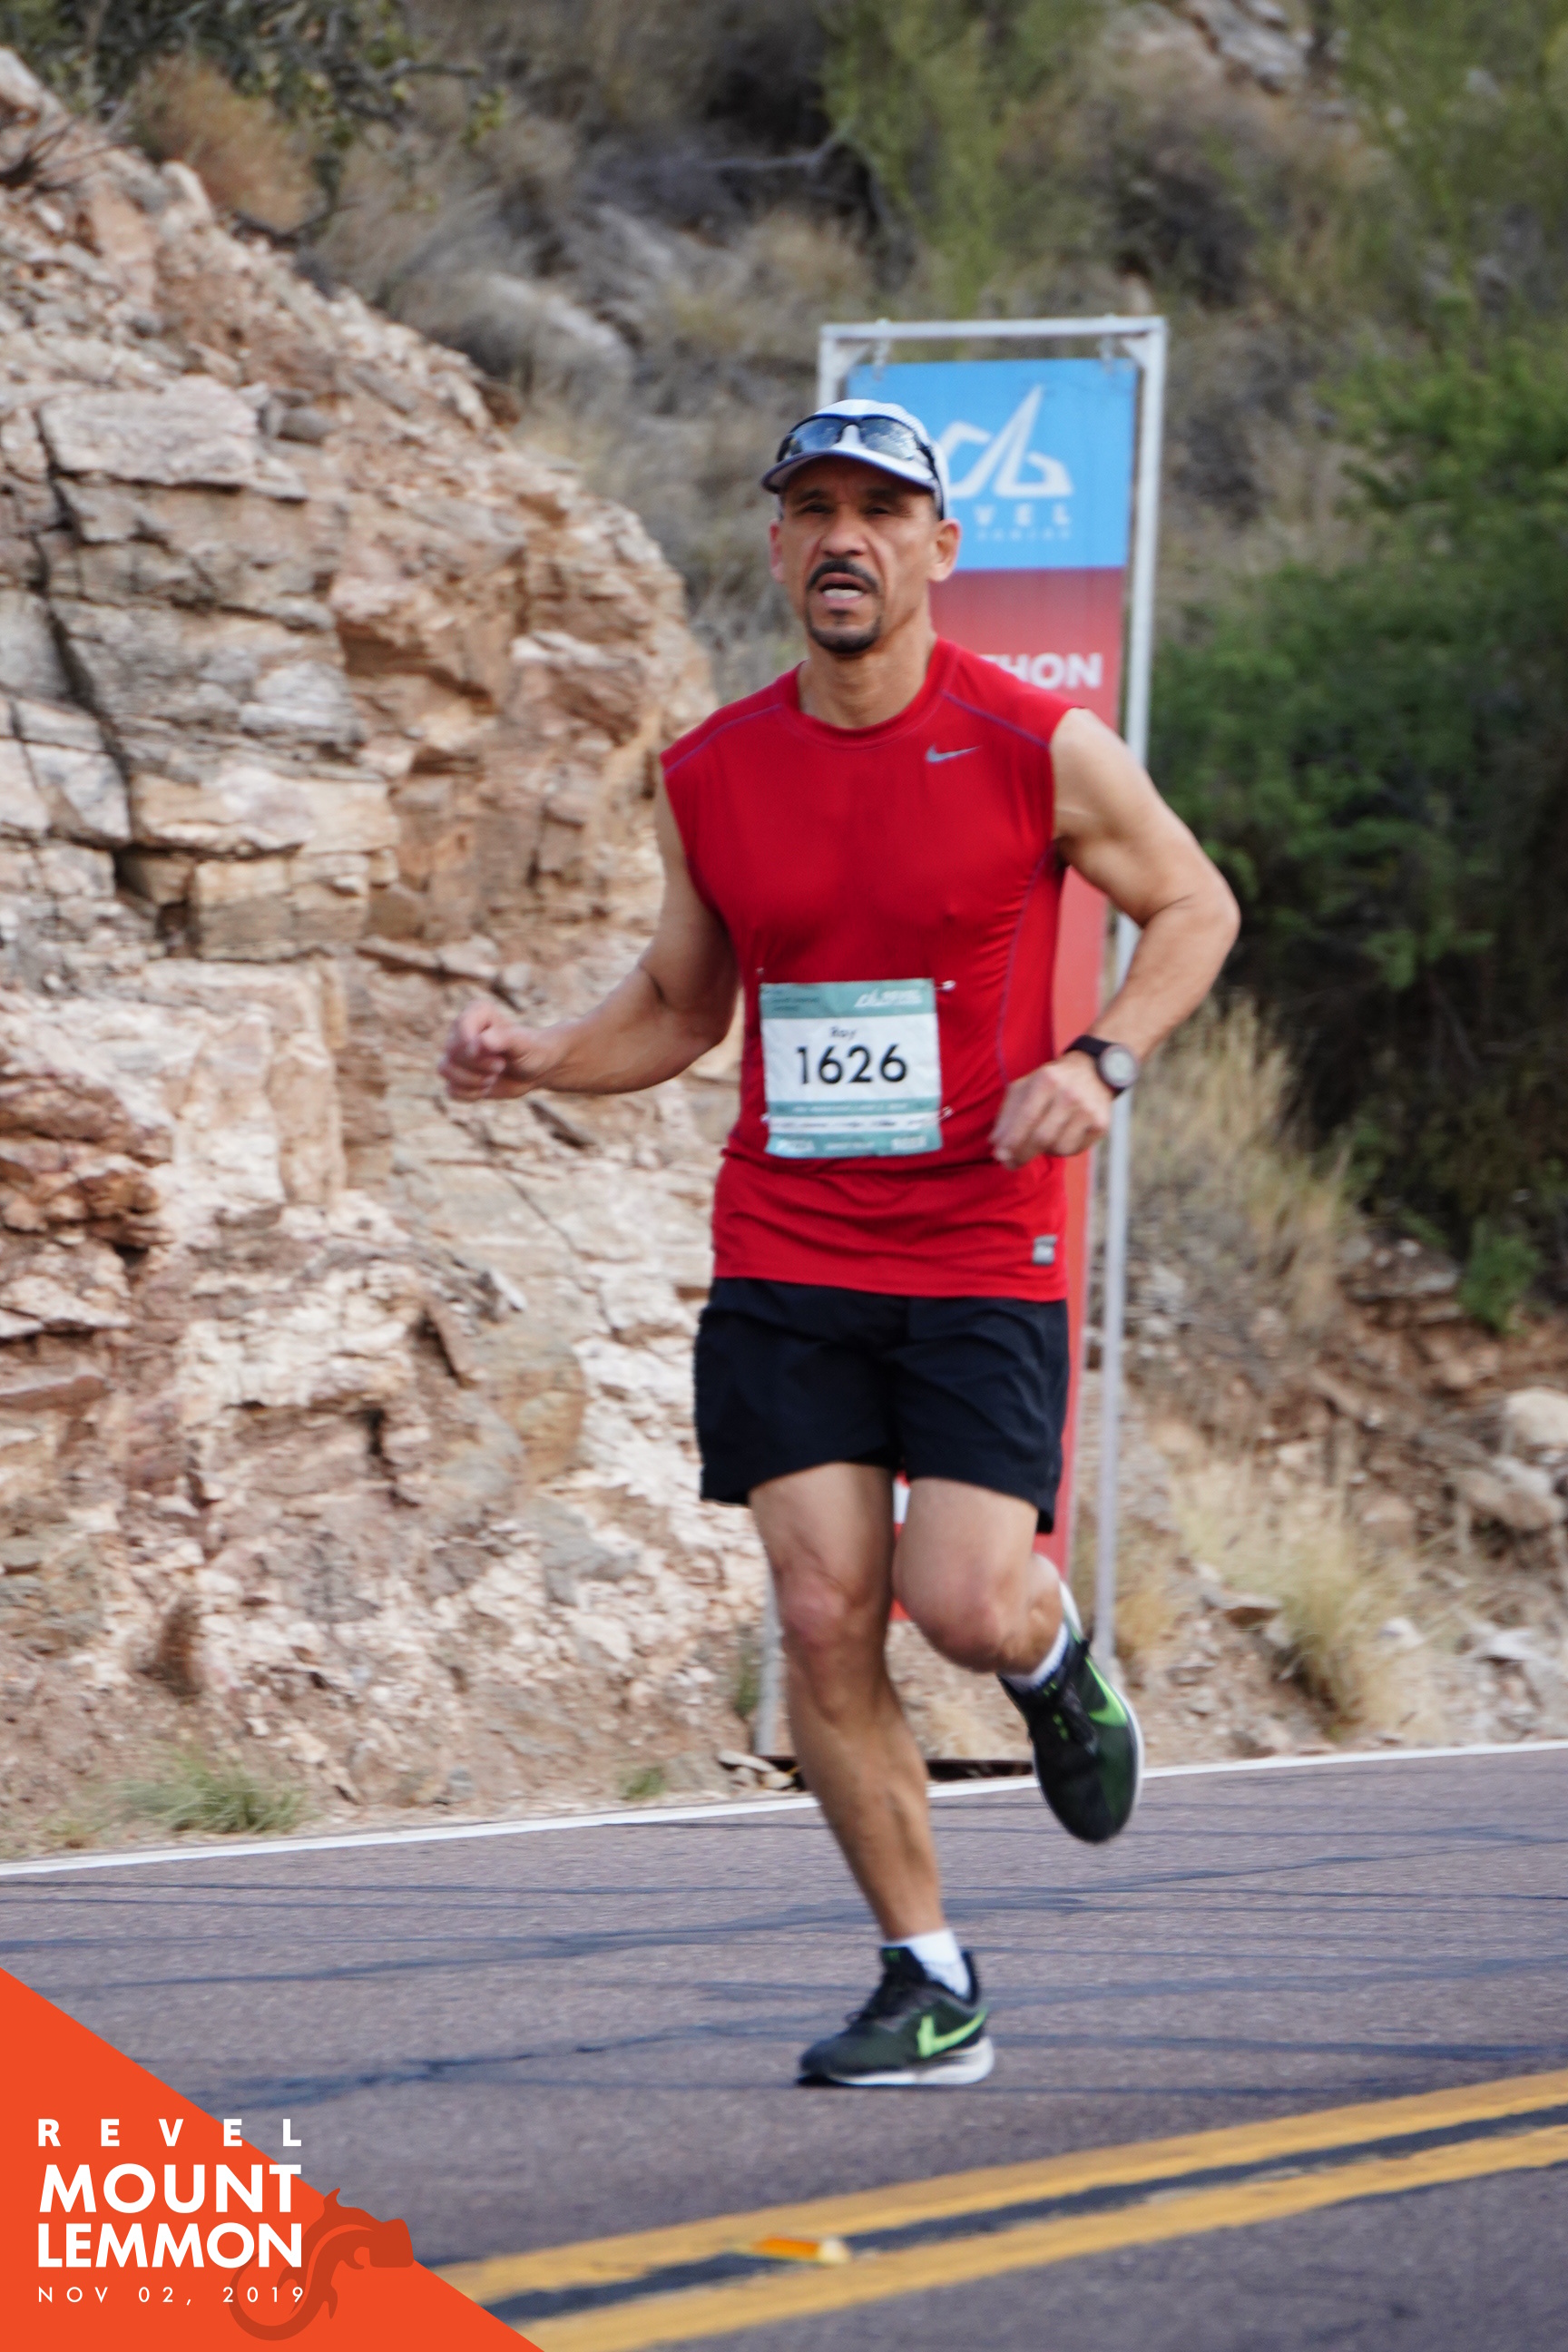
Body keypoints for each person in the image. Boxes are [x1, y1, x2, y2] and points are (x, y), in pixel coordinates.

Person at [441, 397, 1239, 2089]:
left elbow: (1196, 903)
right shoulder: (714, 772)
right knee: (819, 1614)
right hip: (790, 1248)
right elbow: (682, 1005)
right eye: (815, 510)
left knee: (960, 1605)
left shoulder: (1039, 743)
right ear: (780, 546)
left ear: (942, 547)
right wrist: (540, 1060)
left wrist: (1101, 1060)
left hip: (978, 1247)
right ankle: (926, 1978)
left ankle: (1053, 1660)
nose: (845, 538)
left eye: (881, 510)